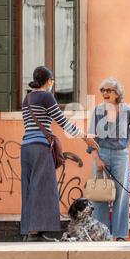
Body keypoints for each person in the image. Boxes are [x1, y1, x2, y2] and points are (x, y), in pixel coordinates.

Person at [21, 66, 98, 242]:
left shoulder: (27, 98)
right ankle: (37, 233)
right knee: (45, 189)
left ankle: (29, 231)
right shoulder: (46, 96)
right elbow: (63, 122)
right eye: (52, 80)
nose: (52, 83)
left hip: (26, 147)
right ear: (48, 81)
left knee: (29, 189)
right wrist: (85, 137)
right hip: (41, 147)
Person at [87, 77, 130, 241]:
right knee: (99, 195)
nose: (105, 93)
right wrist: (97, 158)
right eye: (102, 90)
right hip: (101, 152)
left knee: (121, 195)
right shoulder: (97, 111)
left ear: (117, 93)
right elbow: (91, 138)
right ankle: (101, 234)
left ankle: (119, 235)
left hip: (120, 155)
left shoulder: (128, 111)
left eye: (108, 90)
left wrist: (125, 143)